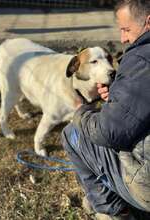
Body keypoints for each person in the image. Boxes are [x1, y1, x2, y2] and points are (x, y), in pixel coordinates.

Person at [62, 0, 150, 219]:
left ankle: (114, 211)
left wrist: (81, 113)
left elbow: (108, 132)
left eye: (126, 29)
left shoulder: (141, 58)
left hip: (145, 184)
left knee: (71, 134)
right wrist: (120, 98)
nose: (123, 38)